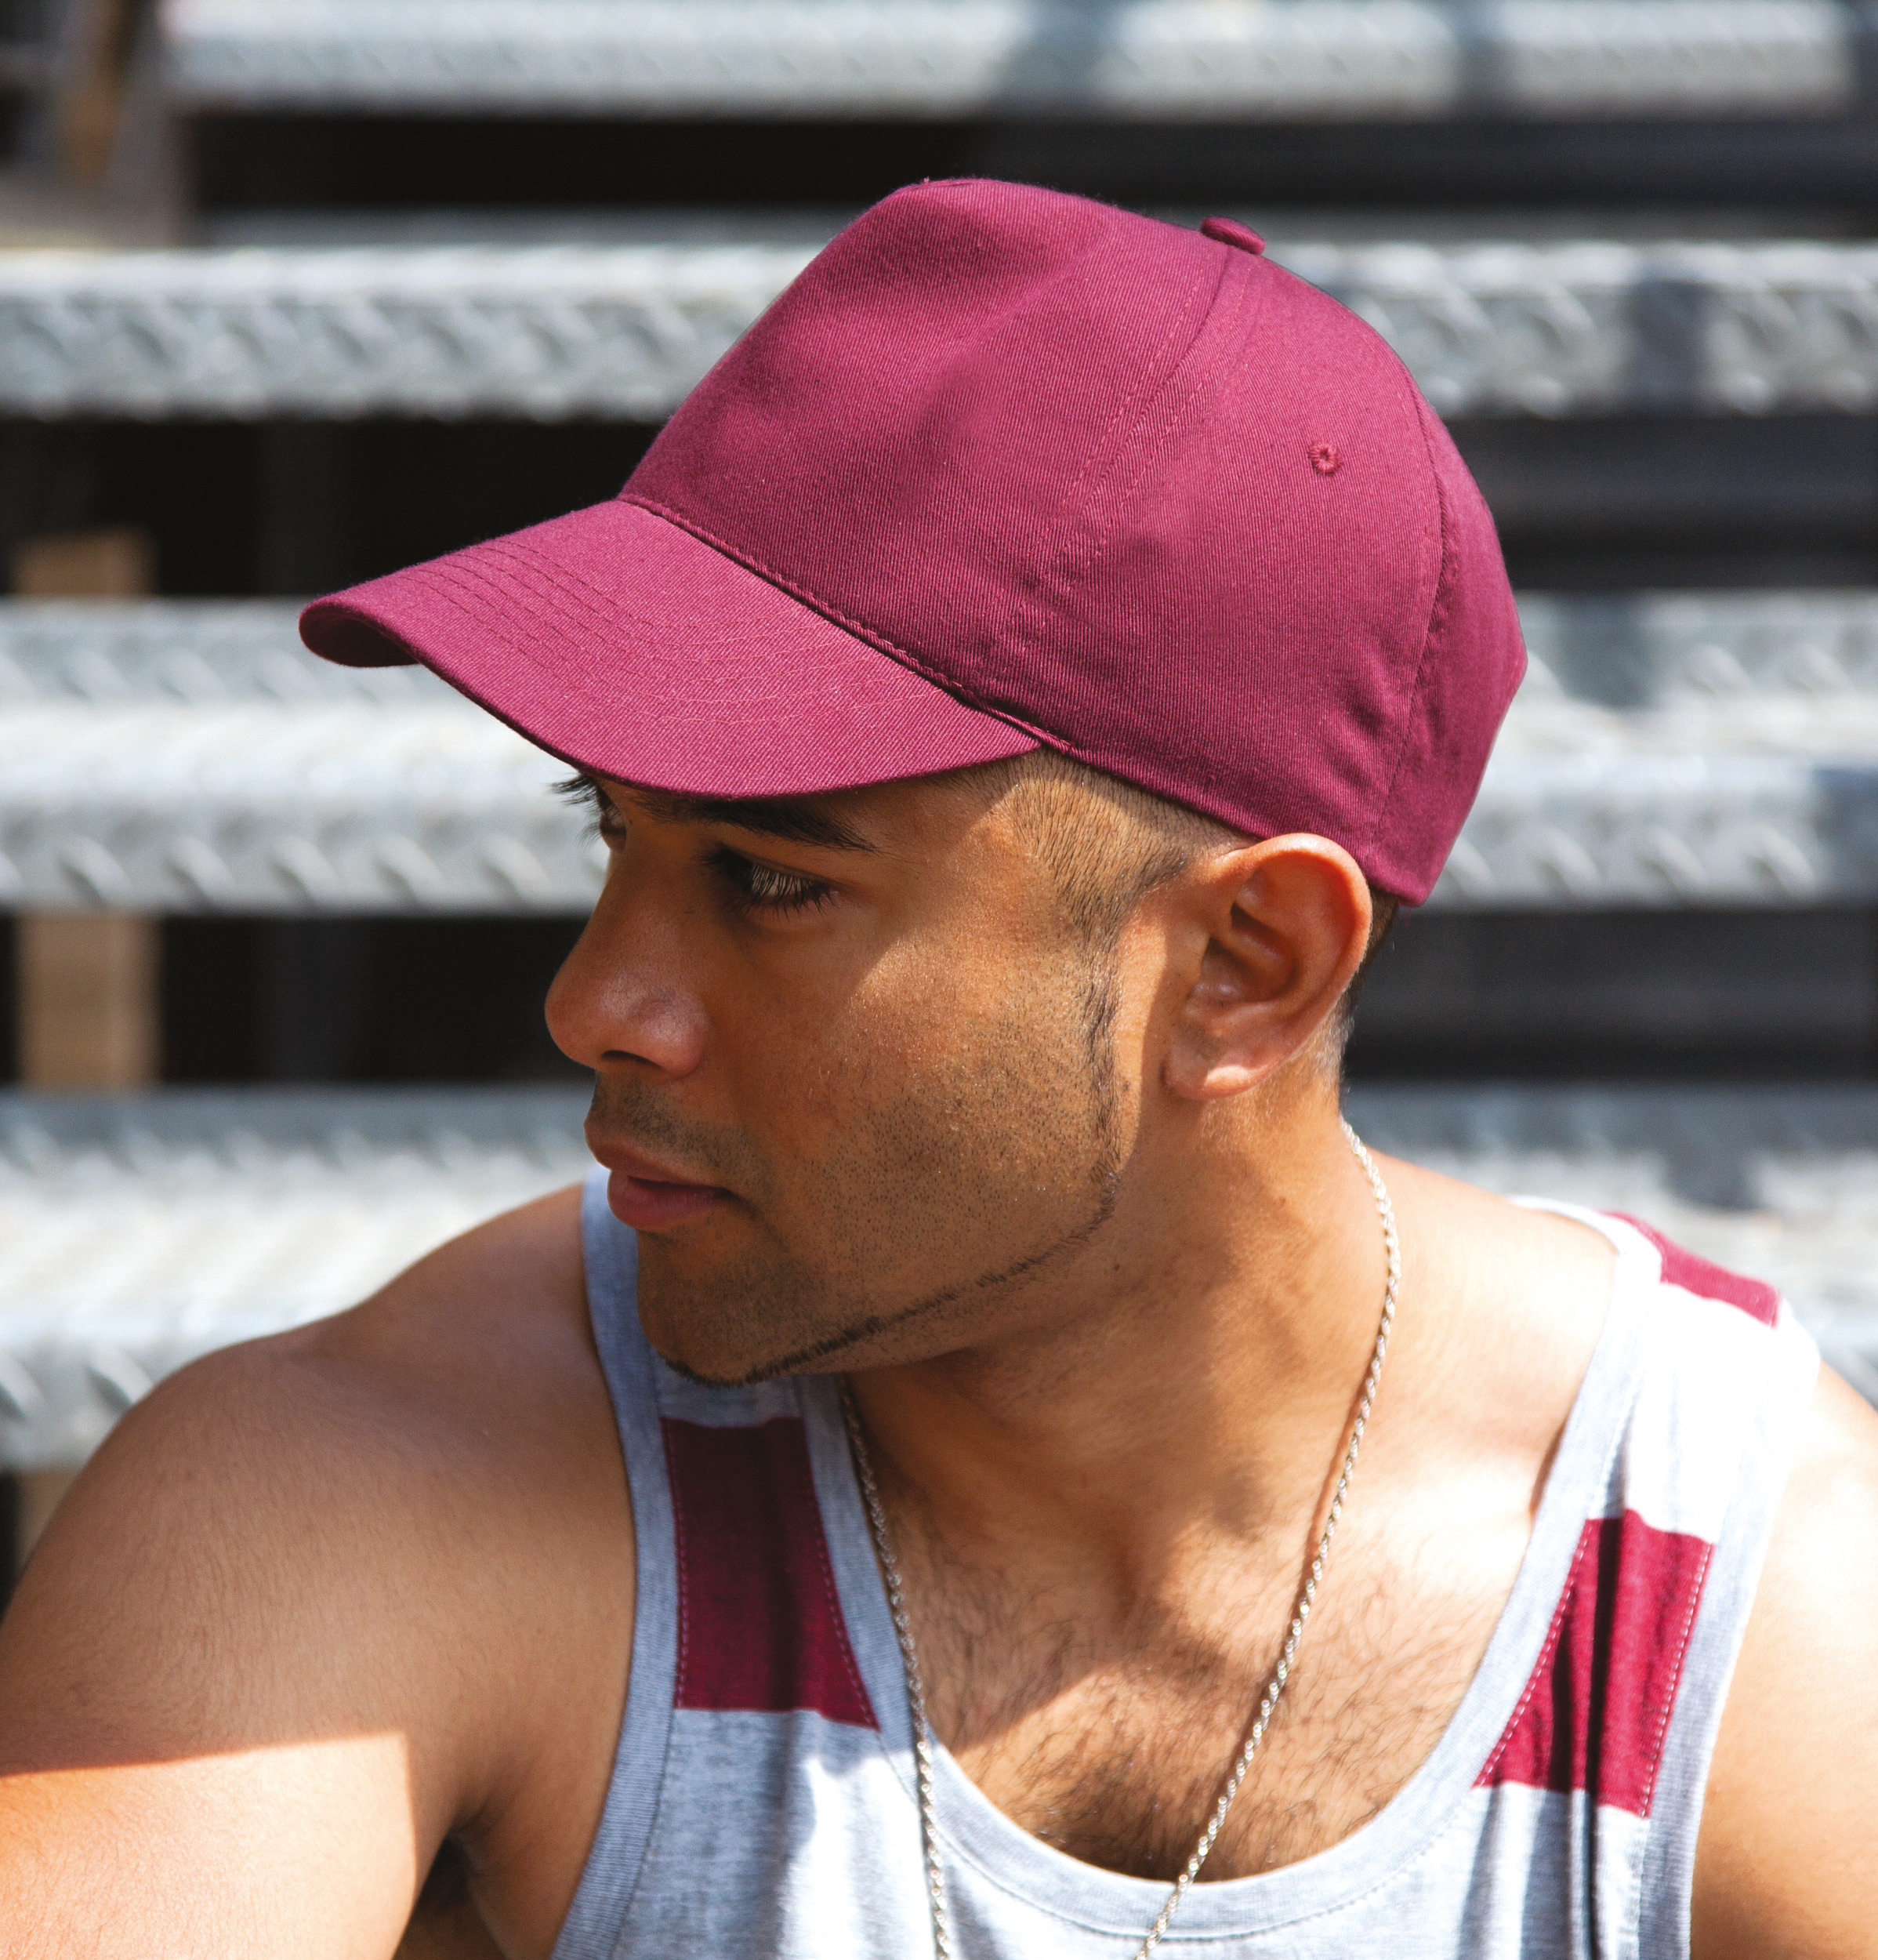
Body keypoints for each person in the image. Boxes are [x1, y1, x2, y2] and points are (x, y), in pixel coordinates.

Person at [2, 180, 1873, 1960]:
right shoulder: (387, 1477)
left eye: (767, 879)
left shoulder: (1743, 1602)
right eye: (611, 832)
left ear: (1246, 963)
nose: (595, 1002)